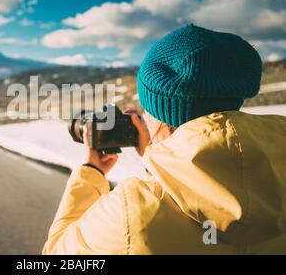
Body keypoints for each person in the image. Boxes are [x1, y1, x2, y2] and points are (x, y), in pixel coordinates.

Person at [42, 24, 286, 255]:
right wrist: (161, 160)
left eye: (146, 110)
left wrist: (90, 171)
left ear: (160, 115)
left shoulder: (131, 210)